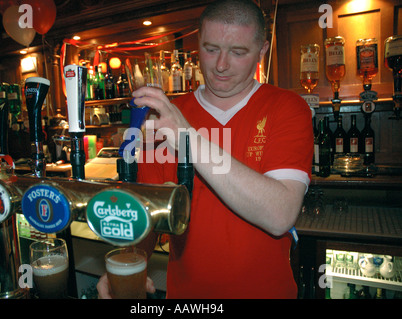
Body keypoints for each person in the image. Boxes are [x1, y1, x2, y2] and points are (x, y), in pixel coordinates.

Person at [97, 0, 313, 299]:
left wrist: (187, 137)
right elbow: (147, 214)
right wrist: (130, 261)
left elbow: (280, 215)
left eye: (238, 52)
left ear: (262, 51)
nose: (221, 65)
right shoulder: (166, 117)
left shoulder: (287, 107)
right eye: (211, 49)